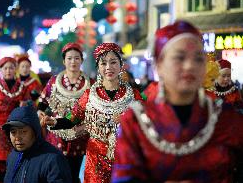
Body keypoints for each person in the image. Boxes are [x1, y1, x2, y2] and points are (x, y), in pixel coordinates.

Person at [112, 21, 243, 182]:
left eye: (197, 58)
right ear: (159, 65)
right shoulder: (135, 121)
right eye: (179, 58)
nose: (189, 66)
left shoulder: (227, 119)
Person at [46, 43, 142, 183]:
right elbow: (72, 118)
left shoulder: (134, 95)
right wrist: (55, 121)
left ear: (121, 65)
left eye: (113, 62)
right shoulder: (89, 95)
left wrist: (126, 120)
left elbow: (147, 122)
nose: (108, 67)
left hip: (125, 156)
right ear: (98, 67)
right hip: (95, 160)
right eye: (103, 63)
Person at [37, 43, 92, 183]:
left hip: (79, 136)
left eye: (76, 58)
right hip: (56, 136)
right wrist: (40, 113)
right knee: (57, 175)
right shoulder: (54, 82)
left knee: (74, 175)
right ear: (64, 61)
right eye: (69, 58)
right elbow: (42, 103)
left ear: (81, 60)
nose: (73, 62)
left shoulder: (91, 84)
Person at [2, 105, 72, 183]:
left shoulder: (53, 159)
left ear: (35, 131)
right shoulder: (12, 157)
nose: (17, 137)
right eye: (13, 132)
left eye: (23, 132)